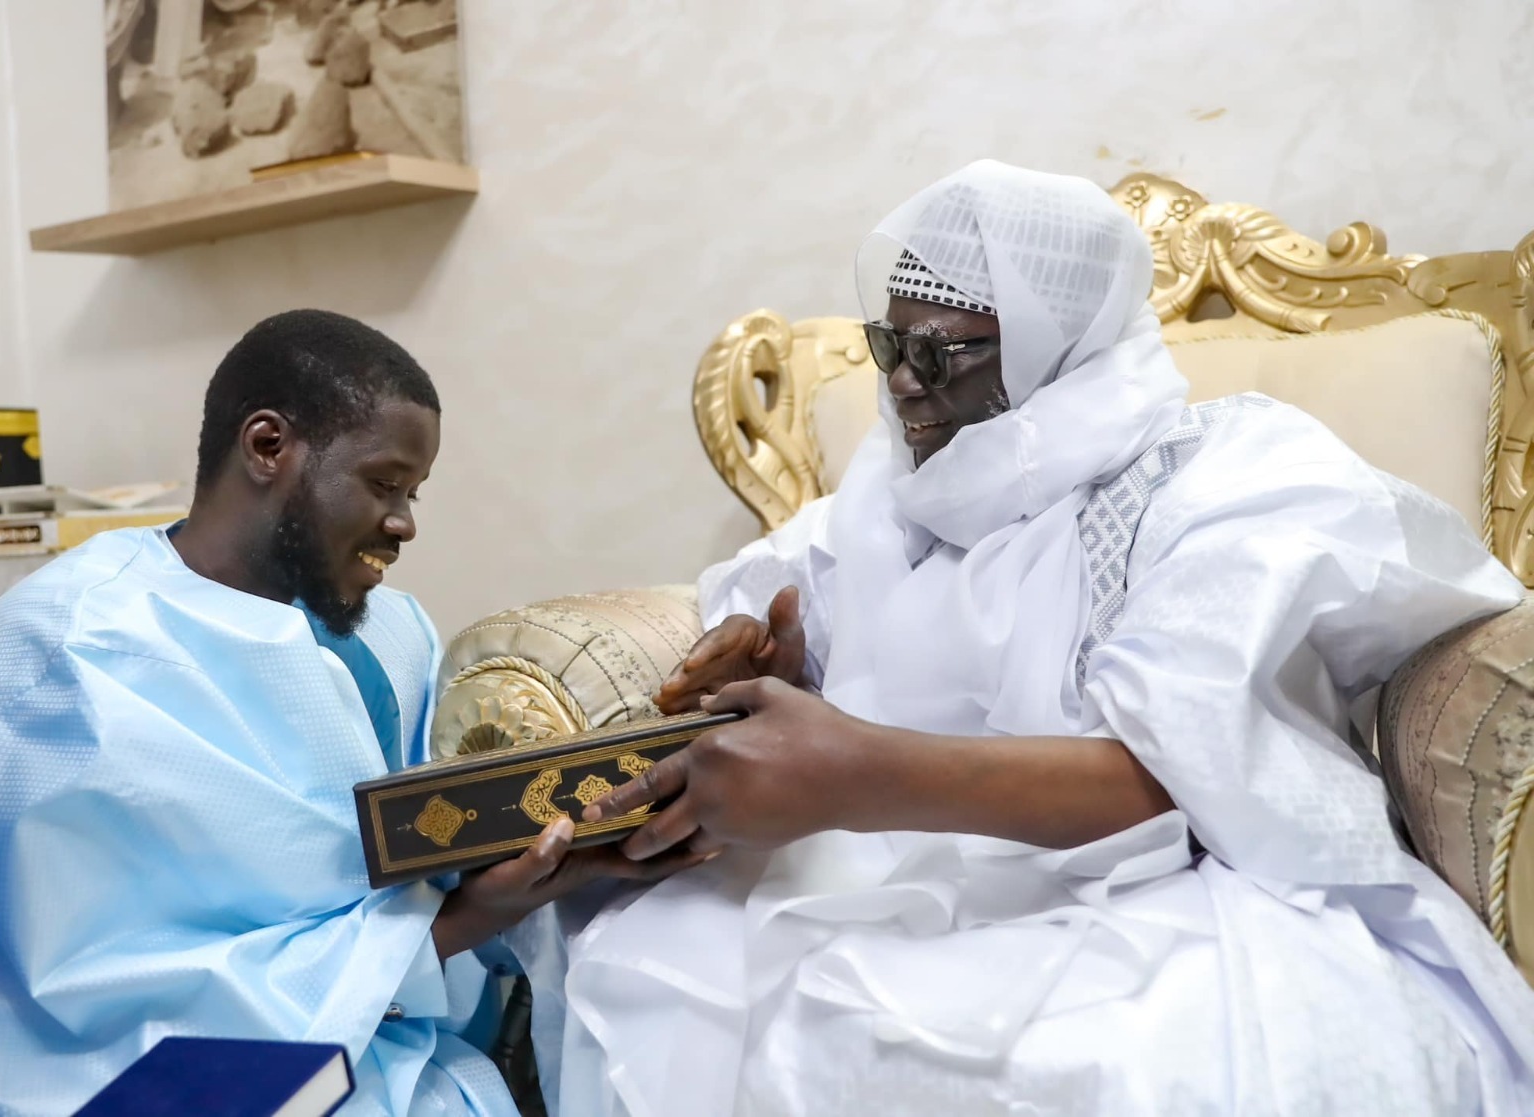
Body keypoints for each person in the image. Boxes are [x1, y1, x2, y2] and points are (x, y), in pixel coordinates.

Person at [510, 163, 1534, 1115]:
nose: (903, 384)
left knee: (1016, 1051)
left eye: (941, 351)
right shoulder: (886, 488)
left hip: (1154, 887)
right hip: (875, 860)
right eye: (888, 345)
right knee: (651, 947)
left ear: (1058, 343)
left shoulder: (1218, 478)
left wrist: (856, 772)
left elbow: (1185, 786)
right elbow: (829, 645)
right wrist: (787, 670)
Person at [0, 310, 702, 1116]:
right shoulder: (65, 655)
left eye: (413, 493)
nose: (406, 523)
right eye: (384, 484)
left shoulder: (393, 628)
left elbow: (415, 852)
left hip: (412, 1052)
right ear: (268, 446)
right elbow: (81, 998)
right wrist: (456, 923)